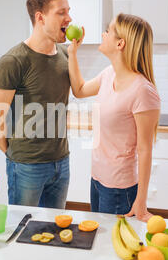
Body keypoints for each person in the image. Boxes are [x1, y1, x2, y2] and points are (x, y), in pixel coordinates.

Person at [67, 13, 161, 222]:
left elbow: (145, 149)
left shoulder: (143, 90)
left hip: (119, 187)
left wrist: (141, 201)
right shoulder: (109, 74)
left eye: (108, 31)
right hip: (98, 178)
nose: (103, 34)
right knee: (100, 241)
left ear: (120, 43)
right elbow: (80, 90)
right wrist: (72, 53)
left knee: (112, 248)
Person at [0, 0, 73, 209]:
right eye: (61, 12)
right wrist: (17, 157)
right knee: (22, 228)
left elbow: (81, 90)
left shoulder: (65, 55)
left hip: (61, 162)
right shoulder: (13, 61)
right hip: (27, 167)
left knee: (53, 231)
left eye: (68, 11)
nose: (69, 18)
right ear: (40, 17)